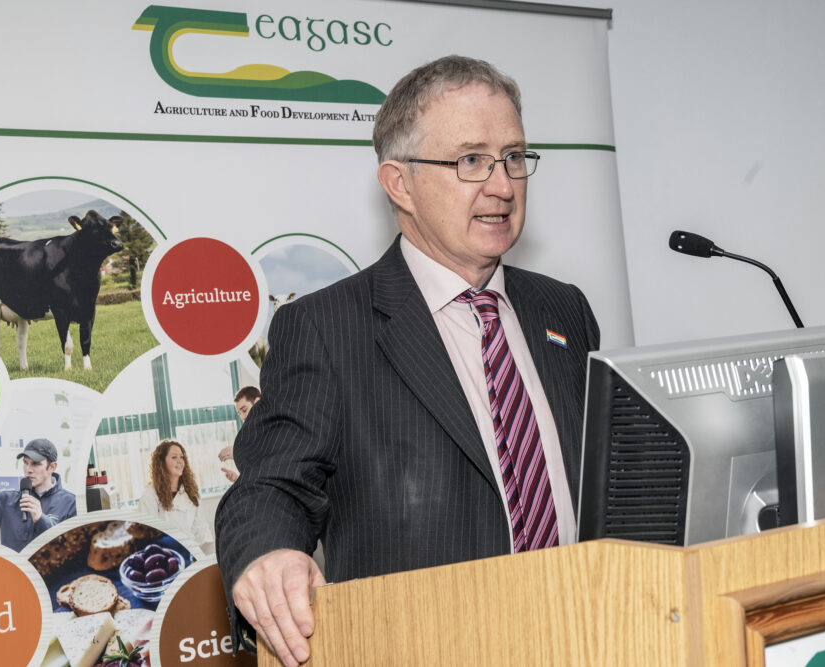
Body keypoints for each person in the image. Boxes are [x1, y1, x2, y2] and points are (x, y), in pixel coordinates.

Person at [215, 55, 600, 665]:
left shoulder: (565, 310)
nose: (502, 185)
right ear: (399, 183)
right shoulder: (325, 328)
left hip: (596, 635)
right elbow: (273, 485)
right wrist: (267, 554)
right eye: (471, 160)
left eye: (514, 157)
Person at [139, 439, 214, 554]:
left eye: (182, 457)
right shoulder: (150, 495)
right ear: (162, 463)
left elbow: (201, 529)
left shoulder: (191, 493)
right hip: (163, 555)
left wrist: (204, 557)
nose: (179, 461)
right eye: (174, 457)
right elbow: (147, 533)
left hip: (192, 554)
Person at [218, 386, 261, 483]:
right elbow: (256, 475)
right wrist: (238, 479)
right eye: (239, 413)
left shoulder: (274, 427)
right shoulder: (252, 435)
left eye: (244, 410)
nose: (243, 417)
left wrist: (237, 452)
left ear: (257, 402)